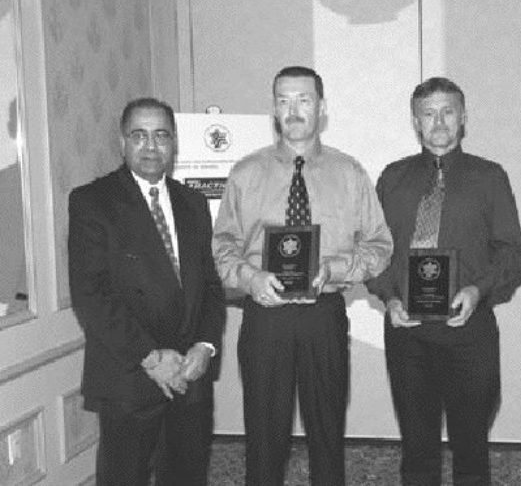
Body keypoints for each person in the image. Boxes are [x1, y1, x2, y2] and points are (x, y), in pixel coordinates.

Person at [212, 66, 393, 485]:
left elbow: (381, 244)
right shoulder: (245, 173)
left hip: (323, 313)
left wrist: (336, 268)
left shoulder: (349, 173)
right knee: (263, 435)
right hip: (264, 315)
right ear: (274, 109)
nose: (293, 110)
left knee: (327, 432)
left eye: (304, 100)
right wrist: (250, 278)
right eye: (284, 100)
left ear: (322, 108)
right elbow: (221, 247)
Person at [367, 77, 521, 485]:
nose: (438, 121)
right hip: (408, 335)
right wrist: (388, 298)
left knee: (471, 448)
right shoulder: (392, 178)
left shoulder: (490, 177)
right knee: (417, 449)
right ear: (416, 123)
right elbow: (373, 251)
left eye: (448, 111)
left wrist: (477, 291)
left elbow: (510, 253)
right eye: (428, 113)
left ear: (463, 117)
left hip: (468, 332)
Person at [68, 98, 225, 486]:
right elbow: (91, 295)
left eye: (161, 136)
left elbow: (209, 285)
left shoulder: (193, 202)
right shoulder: (93, 201)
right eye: (139, 136)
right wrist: (151, 358)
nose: (151, 147)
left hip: (190, 374)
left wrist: (205, 346)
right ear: (122, 143)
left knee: (186, 477)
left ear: (174, 144)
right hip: (131, 375)